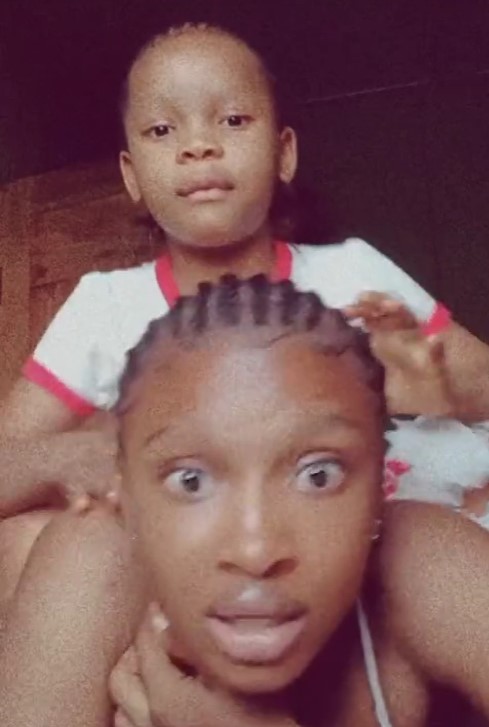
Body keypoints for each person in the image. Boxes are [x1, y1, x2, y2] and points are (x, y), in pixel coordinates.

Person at [1, 20, 489, 722]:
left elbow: (478, 383)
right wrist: (74, 455)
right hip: (188, 583)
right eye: (162, 130)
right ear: (131, 176)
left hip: (371, 554)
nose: (198, 145)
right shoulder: (105, 308)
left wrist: (422, 381)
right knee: (41, 542)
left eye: (231, 119)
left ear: (283, 153)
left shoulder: (352, 276)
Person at [2, 277, 489, 727]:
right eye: (191, 481)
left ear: (377, 488)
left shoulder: (426, 558)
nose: (256, 552)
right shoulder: (97, 562)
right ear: (128, 497)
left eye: (318, 475)